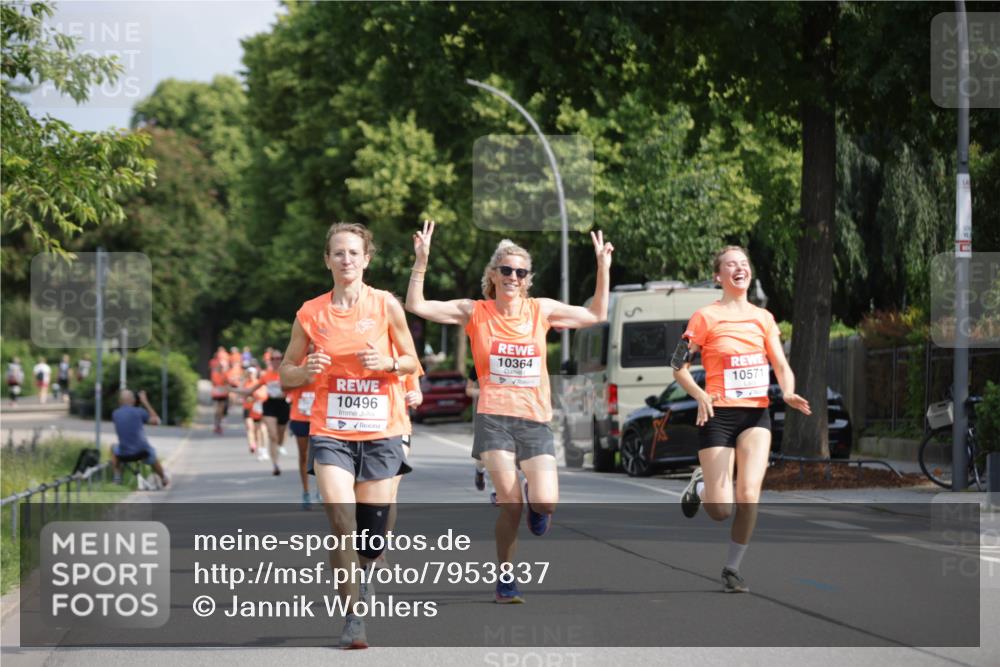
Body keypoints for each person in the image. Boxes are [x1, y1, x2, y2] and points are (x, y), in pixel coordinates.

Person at [406, 219, 613, 604]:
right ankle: (506, 578)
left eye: (520, 272)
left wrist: (602, 266)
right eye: (506, 270)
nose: (513, 277)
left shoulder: (542, 311)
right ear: (493, 274)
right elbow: (416, 305)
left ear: (527, 278)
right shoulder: (475, 311)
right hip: (494, 419)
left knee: (545, 502)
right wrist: (421, 262)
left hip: (535, 419)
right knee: (510, 504)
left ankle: (539, 504)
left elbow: (596, 314)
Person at [280, 222, 419, 649]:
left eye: (353, 253)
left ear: (366, 259)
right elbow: (286, 372)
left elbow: (411, 359)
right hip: (331, 431)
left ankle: (368, 570)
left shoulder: (385, 305)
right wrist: (306, 372)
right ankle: (353, 617)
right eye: (338, 253)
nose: (346, 260)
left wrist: (388, 363)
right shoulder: (311, 312)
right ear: (327, 260)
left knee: (372, 537)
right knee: (341, 523)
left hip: (381, 430)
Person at [673, 245, 811, 594]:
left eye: (744, 263)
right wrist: (700, 393)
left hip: (755, 413)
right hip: (717, 414)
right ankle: (701, 485)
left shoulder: (763, 318)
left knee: (749, 494)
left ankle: (732, 569)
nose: (740, 268)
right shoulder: (704, 317)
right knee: (720, 509)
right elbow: (678, 365)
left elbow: (780, 364)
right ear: (719, 276)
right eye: (731, 264)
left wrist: (789, 390)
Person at [237, 353, 289, 476]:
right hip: (269, 404)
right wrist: (235, 390)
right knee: (273, 435)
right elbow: (251, 389)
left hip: (283, 405)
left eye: (278, 358)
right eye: (273, 359)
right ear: (270, 361)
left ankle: (280, 446)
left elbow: (297, 386)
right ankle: (275, 464)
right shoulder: (266, 376)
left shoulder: (286, 374)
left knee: (280, 435)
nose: (276, 361)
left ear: (282, 360)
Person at [110, 389, 169, 487]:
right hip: (142, 453)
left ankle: (117, 478)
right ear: (133, 400)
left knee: (113, 448)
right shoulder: (139, 412)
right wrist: (145, 402)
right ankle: (163, 478)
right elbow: (157, 421)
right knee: (152, 452)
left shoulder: (115, 414)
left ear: (119, 401)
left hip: (124, 454)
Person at [286, 348, 318, 509]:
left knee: (322, 455)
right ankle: (306, 492)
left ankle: (322, 489)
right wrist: (304, 377)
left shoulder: (327, 360)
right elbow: (285, 385)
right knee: (304, 456)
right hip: (300, 415)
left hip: (320, 416)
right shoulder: (297, 363)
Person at [240, 366, 266, 456]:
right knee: (249, 427)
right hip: (247, 408)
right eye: (249, 373)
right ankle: (252, 445)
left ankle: (258, 445)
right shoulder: (245, 383)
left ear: (255, 374)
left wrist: (255, 397)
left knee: (257, 429)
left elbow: (263, 395)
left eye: (252, 373)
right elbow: (242, 395)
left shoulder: (258, 383)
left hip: (257, 409)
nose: (250, 375)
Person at [210, 360, 231, 435]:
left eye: (221, 367)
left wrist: (225, 387)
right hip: (216, 394)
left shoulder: (225, 375)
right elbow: (213, 383)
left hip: (223, 394)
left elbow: (227, 384)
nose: (220, 368)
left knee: (220, 410)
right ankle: (216, 425)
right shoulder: (214, 374)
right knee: (217, 410)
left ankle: (219, 424)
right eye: (219, 367)